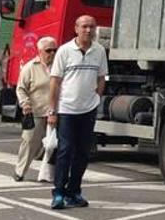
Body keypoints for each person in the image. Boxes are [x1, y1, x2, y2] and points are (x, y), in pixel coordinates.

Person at [47, 15, 108, 209]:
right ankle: (58, 192)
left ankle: (74, 191)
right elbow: (55, 82)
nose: (88, 30)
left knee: (82, 153)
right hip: (66, 110)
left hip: (88, 109)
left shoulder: (99, 51)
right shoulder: (64, 51)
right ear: (76, 28)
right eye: (84, 26)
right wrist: (52, 111)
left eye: (91, 27)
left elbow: (101, 77)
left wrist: (96, 98)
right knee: (65, 151)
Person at [14, 36, 57, 181]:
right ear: (40, 51)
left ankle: (49, 174)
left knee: (53, 145)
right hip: (36, 112)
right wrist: (25, 103)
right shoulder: (30, 67)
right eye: (48, 50)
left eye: (54, 50)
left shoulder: (59, 66)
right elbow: (21, 89)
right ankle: (20, 171)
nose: (52, 53)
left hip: (55, 112)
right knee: (30, 142)